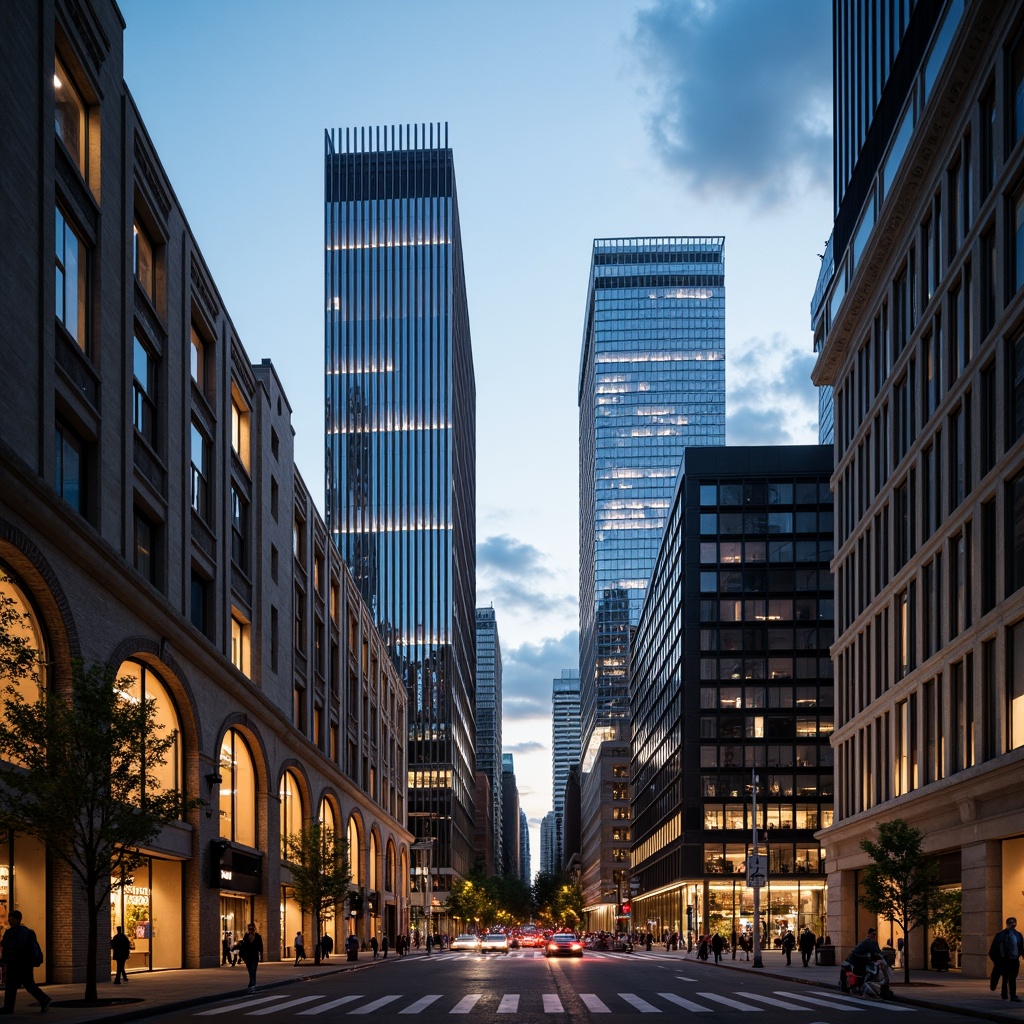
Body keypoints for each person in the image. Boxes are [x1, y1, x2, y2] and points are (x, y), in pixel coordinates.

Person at [0, 910, 52, 1013]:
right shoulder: (26, 931)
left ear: (17, 920)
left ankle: (8, 1008)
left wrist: (5, 959)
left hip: (16, 963)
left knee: (12, 985)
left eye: (12, 919)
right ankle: (44, 999)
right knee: (27, 984)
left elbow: (12, 948)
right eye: (9, 918)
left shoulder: (15, 933)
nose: (10, 921)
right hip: (25, 964)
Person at [989, 916, 1024, 1002]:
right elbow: (993, 949)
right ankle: (1004, 993)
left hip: (1014, 960)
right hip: (1005, 960)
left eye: (1014, 922)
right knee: (1005, 977)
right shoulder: (1001, 935)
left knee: (1012, 978)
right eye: (1010, 922)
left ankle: (1013, 995)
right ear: (1007, 924)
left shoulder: (1018, 935)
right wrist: (997, 960)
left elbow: (1021, 947)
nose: (1012, 924)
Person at [236, 922, 264, 995]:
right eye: (249, 929)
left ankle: (251, 986)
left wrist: (261, 955)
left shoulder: (257, 936)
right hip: (248, 957)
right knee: (250, 972)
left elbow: (260, 946)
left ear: (254, 929)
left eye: (252, 928)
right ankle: (252, 985)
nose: (250, 930)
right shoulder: (246, 936)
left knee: (253, 971)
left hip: (254, 957)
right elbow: (244, 946)